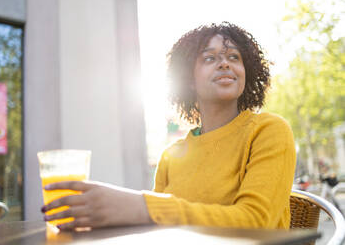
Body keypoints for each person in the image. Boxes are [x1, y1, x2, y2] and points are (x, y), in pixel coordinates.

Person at [41, 22, 296, 230]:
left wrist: (142, 206)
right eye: (210, 58)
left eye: (233, 57)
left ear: (246, 71)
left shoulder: (268, 131)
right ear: (189, 80)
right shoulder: (171, 156)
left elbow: (256, 223)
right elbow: (157, 229)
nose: (225, 63)